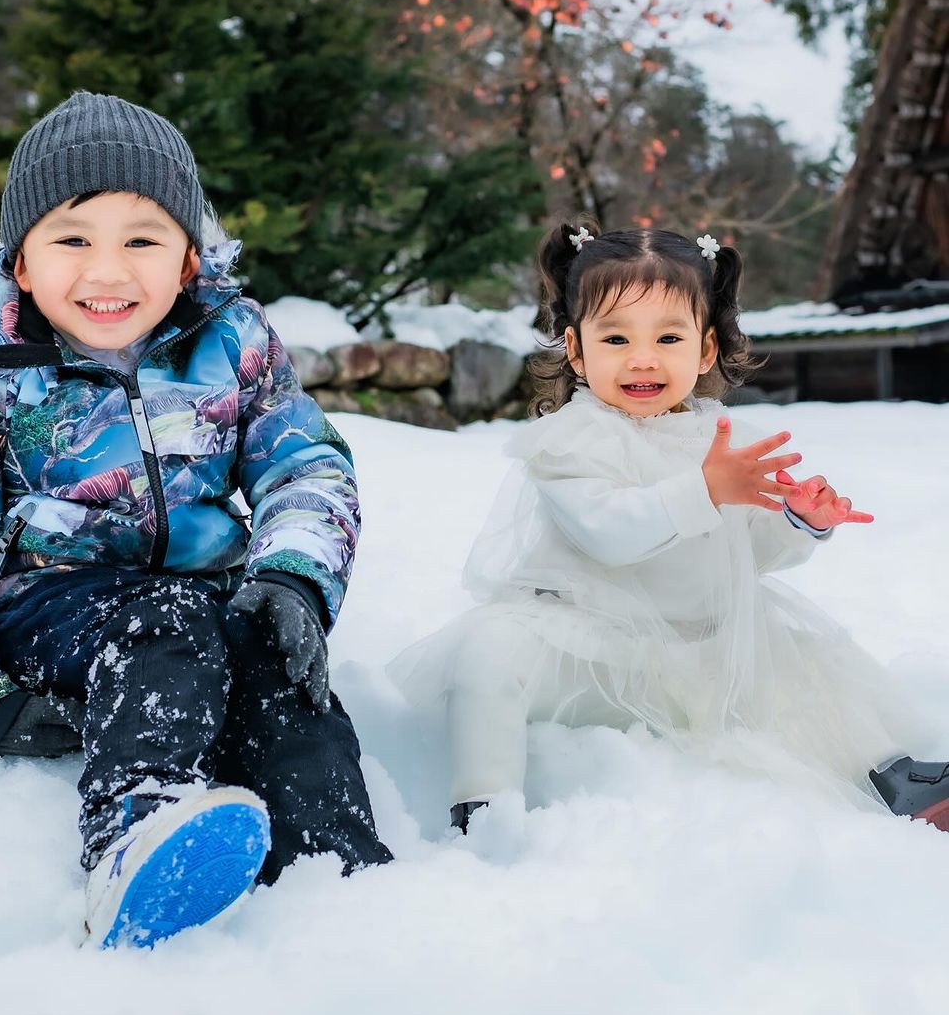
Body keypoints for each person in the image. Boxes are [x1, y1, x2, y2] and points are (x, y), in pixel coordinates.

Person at [0, 90, 391, 948]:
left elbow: (306, 462)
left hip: (206, 591)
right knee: (171, 622)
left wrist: (292, 577)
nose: (108, 272)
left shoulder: (233, 341)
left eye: (141, 240)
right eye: (72, 239)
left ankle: (336, 877)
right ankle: (135, 832)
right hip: (50, 606)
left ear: (188, 259)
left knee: (283, 680)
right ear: (22, 261)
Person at [390, 221, 949, 833]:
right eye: (615, 338)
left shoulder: (722, 441)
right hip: (591, 652)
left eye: (668, 336)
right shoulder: (571, 442)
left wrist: (799, 521)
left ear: (704, 349)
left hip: (700, 656)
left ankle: (888, 776)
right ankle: (485, 807)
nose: (642, 358)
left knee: (809, 663)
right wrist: (703, 489)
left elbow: (743, 552)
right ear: (576, 350)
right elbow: (607, 532)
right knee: (489, 654)